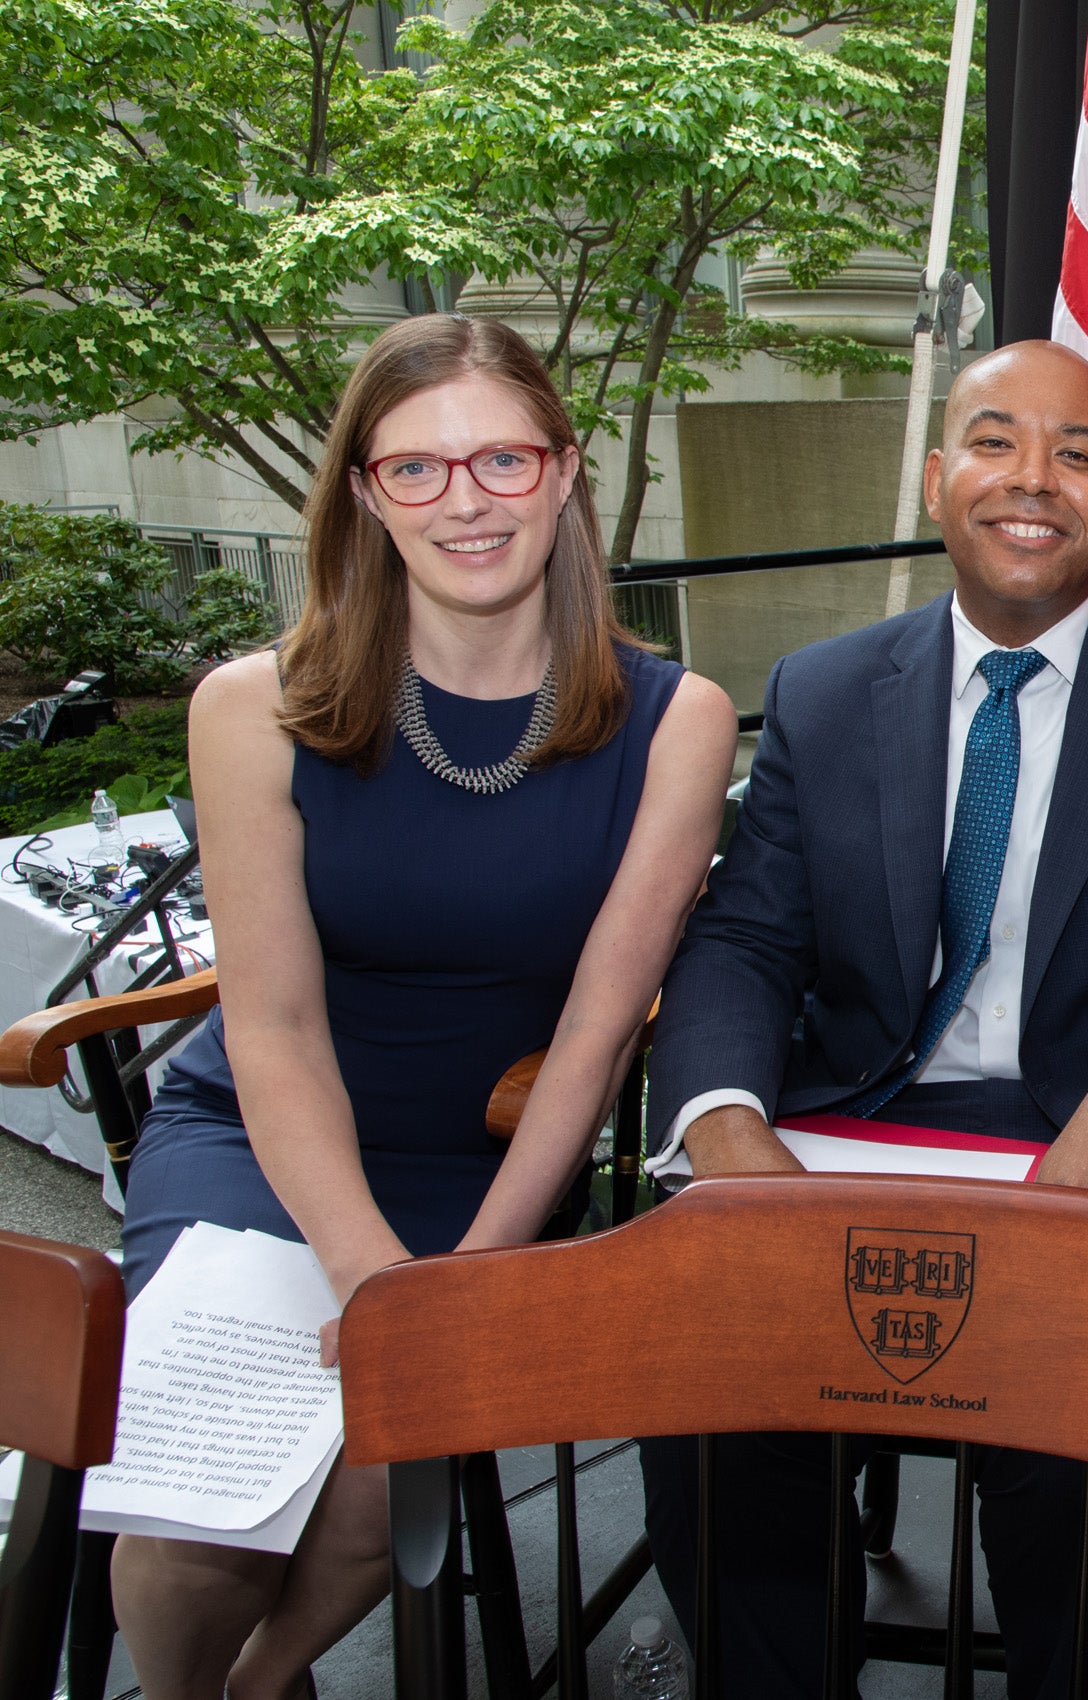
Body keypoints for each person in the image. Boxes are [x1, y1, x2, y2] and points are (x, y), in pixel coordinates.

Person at [636, 339, 1088, 1699]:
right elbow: (745, 937)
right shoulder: (827, 689)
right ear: (935, 474)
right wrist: (723, 1122)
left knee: (1087, 1424)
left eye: (1076, 452)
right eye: (995, 441)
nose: (1033, 479)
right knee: (716, 1393)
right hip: (856, 1132)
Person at [109, 314, 736, 1700]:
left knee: (366, 1479)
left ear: (565, 471)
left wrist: (455, 1282)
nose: (466, 501)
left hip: (490, 1160)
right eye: (418, 470)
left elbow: (593, 1033)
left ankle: (262, 1685)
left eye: (502, 459)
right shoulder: (250, 707)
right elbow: (267, 1027)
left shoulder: (674, 717)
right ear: (363, 494)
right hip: (263, 1145)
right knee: (196, 1503)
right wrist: (361, 1268)